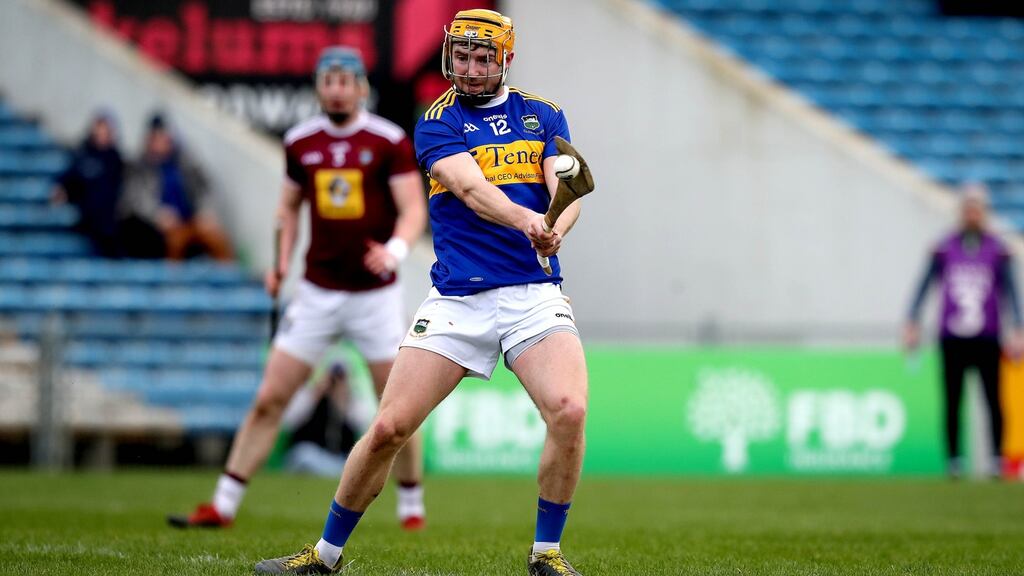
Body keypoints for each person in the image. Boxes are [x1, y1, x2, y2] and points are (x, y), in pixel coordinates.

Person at [253, 9, 593, 575]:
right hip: (459, 298)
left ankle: (546, 554)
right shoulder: (436, 121)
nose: (470, 68)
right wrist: (530, 222)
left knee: (570, 410)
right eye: (461, 56)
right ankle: (324, 556)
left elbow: (568, 186)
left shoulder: (543, 113)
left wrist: (557, 227)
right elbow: (471, 189)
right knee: (389, 428)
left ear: (506, 58)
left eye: (482, 57)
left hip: (533, 293)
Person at [167, 46, 428, 531]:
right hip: (317, 292)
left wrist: (394, 250)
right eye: (328, 80)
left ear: (361, 87)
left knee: (398, 409)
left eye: (345, 81)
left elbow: (413, 209)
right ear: (318, 87)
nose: (336, 90)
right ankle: (223, 505)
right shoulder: (300, 141)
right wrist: (280, 262)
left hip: (375, 296)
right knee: (270, 397)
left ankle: (411, 506)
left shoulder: (388, 140)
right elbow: (287, 209)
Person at [904, 183, 1024, 479]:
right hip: (952, 336)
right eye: (968, 208)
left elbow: (1011, 291)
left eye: (977, 208)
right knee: (952, 400)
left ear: (984, 212)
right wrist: (913, 320)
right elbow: (924, 285)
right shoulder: (944, 247)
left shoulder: (998, 250)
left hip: (987, 335)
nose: (972, 214)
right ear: (961, 211)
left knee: (993, 399)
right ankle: (954, 460)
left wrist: (1018, 329)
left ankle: (996, 458)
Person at [121, 113, 234, 260]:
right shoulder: (140, 166)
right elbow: (137, 200)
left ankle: (228, 272)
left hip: (192, 219)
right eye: (157, 138)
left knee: (216, 237)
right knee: (174, 244)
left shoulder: (186, 161)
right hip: (165, 225)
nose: (162, 142)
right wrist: (158, 215)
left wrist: (205, 212)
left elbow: (205, 188)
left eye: (164, 137)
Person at [52, 110, 125, 258]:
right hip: (87, 217)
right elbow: (70, 178)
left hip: (109, 219)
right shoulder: (82, 155)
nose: (101, 134)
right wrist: (62, 189)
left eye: (105, 130)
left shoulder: (116, 159)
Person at [282, 362, 373, 477]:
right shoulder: (308, 395)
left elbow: (364, 426)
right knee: (305, 455)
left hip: (339, 458)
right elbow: (289, 423)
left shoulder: (352, 401)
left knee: (352, 465)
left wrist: (343, 402)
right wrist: (316, 394)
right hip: (309, 454)